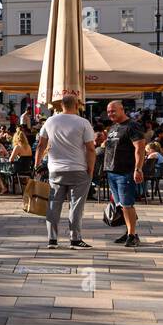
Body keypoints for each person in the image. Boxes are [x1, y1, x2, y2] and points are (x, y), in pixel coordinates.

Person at [34, 96, 96, 249]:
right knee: (76, 206)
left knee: (53, 205)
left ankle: (52, 240)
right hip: (78, 169)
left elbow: (41, 146)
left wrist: (37, 165)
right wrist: (91, 169)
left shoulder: (50, 121)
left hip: (55, 170)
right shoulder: (83, 122)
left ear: (61, 105)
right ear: (77, 105)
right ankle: (75, 240)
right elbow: (91, 149)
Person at [104, 100, 147, 247]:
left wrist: (138, 168)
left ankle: (132, 235)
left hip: (125, 171)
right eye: (109, 112)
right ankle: (129, 231)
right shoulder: (114, 127)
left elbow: (140, 148)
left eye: (113, 111)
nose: (110, 114)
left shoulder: (132, 126)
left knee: (127, 204)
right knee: (120, 205)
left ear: (122, 110)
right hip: (112, 171)